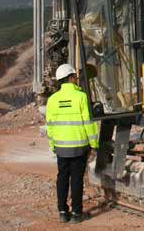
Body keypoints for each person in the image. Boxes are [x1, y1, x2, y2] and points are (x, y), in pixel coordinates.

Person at [46, 63, 99, 223]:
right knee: (76, 179)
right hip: (79, 147)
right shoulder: (81, 97)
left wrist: (52, 145)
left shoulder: (53, 99)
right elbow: (89, 123)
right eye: (75, 76)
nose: (76, 78)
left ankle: (62, 212)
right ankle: (77, 214)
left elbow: (50, 124)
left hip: (61, 147)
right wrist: (94, 144)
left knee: (62, 177)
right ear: (70, 78)